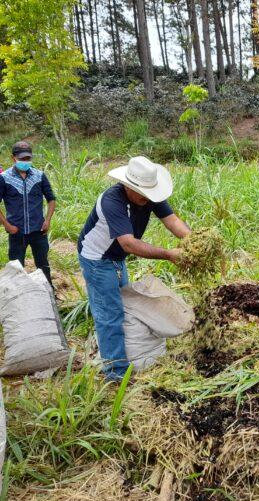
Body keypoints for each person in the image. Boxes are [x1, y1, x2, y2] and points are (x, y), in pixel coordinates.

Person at [77, 156, 190, 381]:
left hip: (117, 258)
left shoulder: (149, 194)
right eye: (140, 192)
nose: (145, 198)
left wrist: (194, 241)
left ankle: (118, 351)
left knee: (124, 303)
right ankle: (115, 374)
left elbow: (172, 221)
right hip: (97, 259)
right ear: (128, 185)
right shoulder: (112, 201)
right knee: (110, 314)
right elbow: (128, 243)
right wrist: (169, 254)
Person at [0, 141, 56, 286]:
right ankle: (18, 297)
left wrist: (48, 220)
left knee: (43, 265)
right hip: (16, 232)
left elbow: (51, 199)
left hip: (38, 230)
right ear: (13, 158)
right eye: (22, 159)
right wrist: (7, 225)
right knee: (16, 268)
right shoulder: (4, 178)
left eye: (28, 159)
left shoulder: (39, 176)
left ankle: (50, 294)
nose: (25, 162)